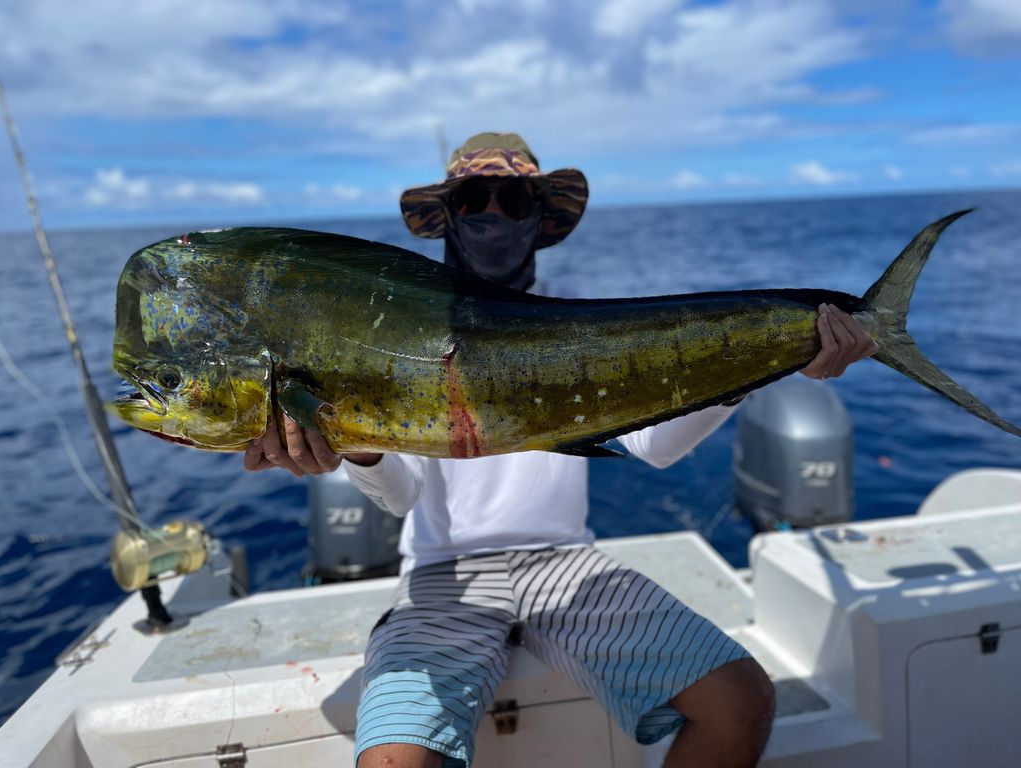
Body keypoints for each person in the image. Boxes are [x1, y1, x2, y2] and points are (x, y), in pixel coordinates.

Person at [244, 132, 878, 767]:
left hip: (565, 567)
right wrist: (357, 450)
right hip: (443, 576)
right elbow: (402, 494)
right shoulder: (392, 340)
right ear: (449, 219)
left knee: (741, 701)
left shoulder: (575, 327)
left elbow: (653, 448)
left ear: (539, 221)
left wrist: (749, 365)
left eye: (514, 199)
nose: (493, 215)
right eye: (473, 200)